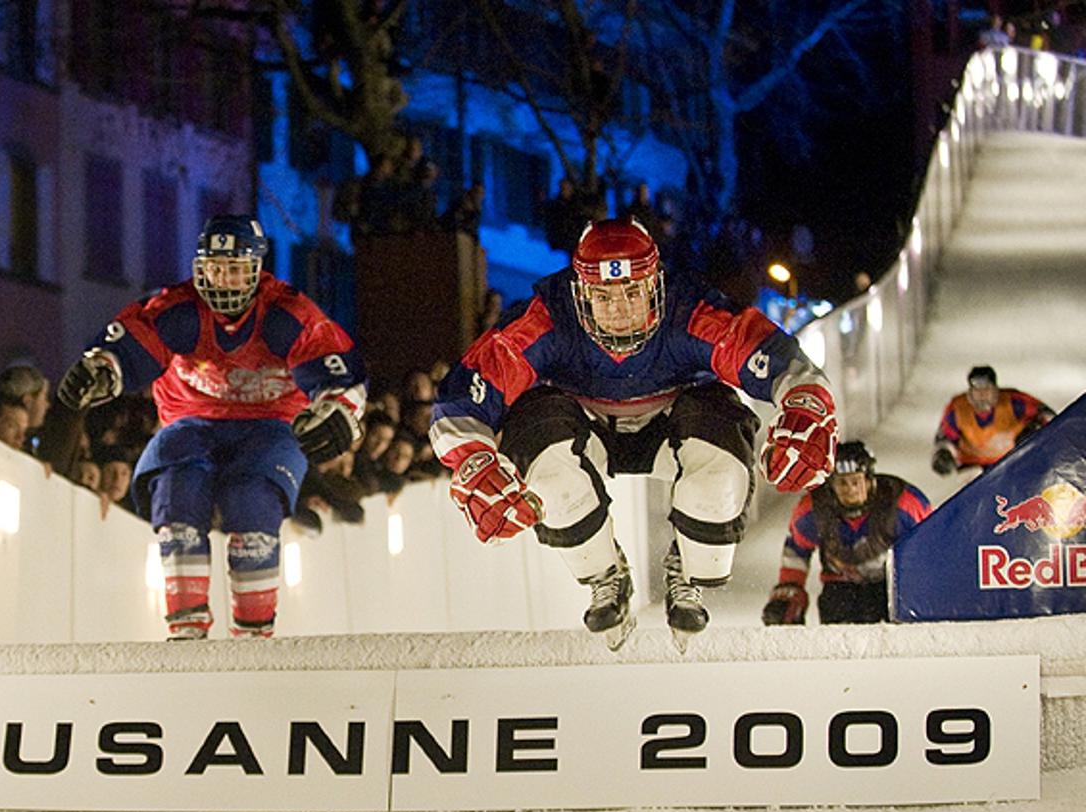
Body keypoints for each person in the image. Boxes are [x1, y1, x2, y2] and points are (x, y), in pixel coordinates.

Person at [430, 217, 838, 650]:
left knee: (718, 479)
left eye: (631, 293)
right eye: (603, 296)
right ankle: (605, 574)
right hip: (579, 428)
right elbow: (465, 396)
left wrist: (805, 406)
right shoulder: (545, 318)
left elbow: (775, 357)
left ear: (656, 286)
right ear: (580, 292)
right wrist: (474, 461)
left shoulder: (694, 312)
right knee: (546, 473)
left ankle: (692, 565)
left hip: (678, 424)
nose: (619, 309)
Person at [56, 215, 366, 640]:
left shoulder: (285, 314)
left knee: (252, 503)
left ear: (257, 271)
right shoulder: (180, 311)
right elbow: (136, 337)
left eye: (235, 269)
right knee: (177, 494)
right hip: (191, 419)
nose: (223, 281)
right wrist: (105, 367)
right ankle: (186, 628)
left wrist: (339, 409)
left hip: (270, 423)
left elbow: (333, 364)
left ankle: (254, 631)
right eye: (215, 268)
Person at [762, 441, 931, 625]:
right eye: (842, 483)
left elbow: (931, 546)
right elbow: (796, 551)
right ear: (830, 486)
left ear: (868, 480)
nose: (850, 489)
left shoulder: (904, 503)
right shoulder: (812, 511)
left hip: (891, 586)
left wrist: (928, 590)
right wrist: (789, 595)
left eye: (855, 481)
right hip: (840, 588)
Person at [932, 365, 1054, 475]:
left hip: (1014, 461)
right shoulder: (958, 408)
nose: (982, 395)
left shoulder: (1015, 402)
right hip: (973, 468)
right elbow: (945, 438)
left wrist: (1035, 434)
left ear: (996, 389)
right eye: (977, 390)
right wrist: (944, 455)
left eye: (987, 389)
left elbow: (1049, 417)